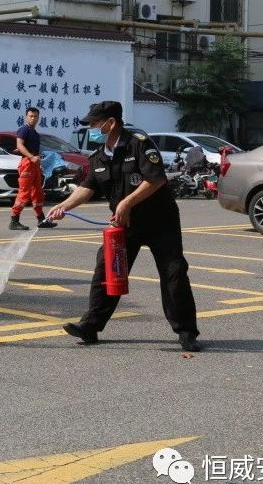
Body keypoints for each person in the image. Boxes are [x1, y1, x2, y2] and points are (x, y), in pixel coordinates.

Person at [44, 101, 202, 352]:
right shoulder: (99, 156)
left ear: (111, 123)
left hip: (160, 221)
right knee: (107, 270)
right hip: (125, 224)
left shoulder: (139, 144)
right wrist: (63, 206)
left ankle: (186, 332)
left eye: (94, 124)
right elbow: (88, 187)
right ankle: (90, 326)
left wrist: (127, 202)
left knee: (173, 273)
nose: (91, 129)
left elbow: (156, 179)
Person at [10, 107, 57, 230]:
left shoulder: (35, 133)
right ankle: (14, 221)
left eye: (35, 116)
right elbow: (19, 145)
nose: (33, 118)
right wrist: (31, 157)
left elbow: (26, 148)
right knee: (24, 192)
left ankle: (41, 219)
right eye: (31, 116)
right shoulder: (23, 130)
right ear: (26, 117)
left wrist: (37, 159)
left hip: (34, 163)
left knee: (38, 192)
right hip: (27, 163)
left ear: (38, 118)